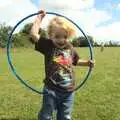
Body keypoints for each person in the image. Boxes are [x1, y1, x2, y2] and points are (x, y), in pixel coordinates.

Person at [30, 10, 95, 120]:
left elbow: (75, 61)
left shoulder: (70, 48)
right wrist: (39, 18)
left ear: (68, 35)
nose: (61, 40)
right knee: (46, 116)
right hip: (51, 90)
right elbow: (33, 34)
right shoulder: (48, 45)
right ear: (50, 35)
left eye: (64, 36)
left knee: (65, 117)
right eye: (57, 36)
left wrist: (88, 63)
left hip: (68, 91)